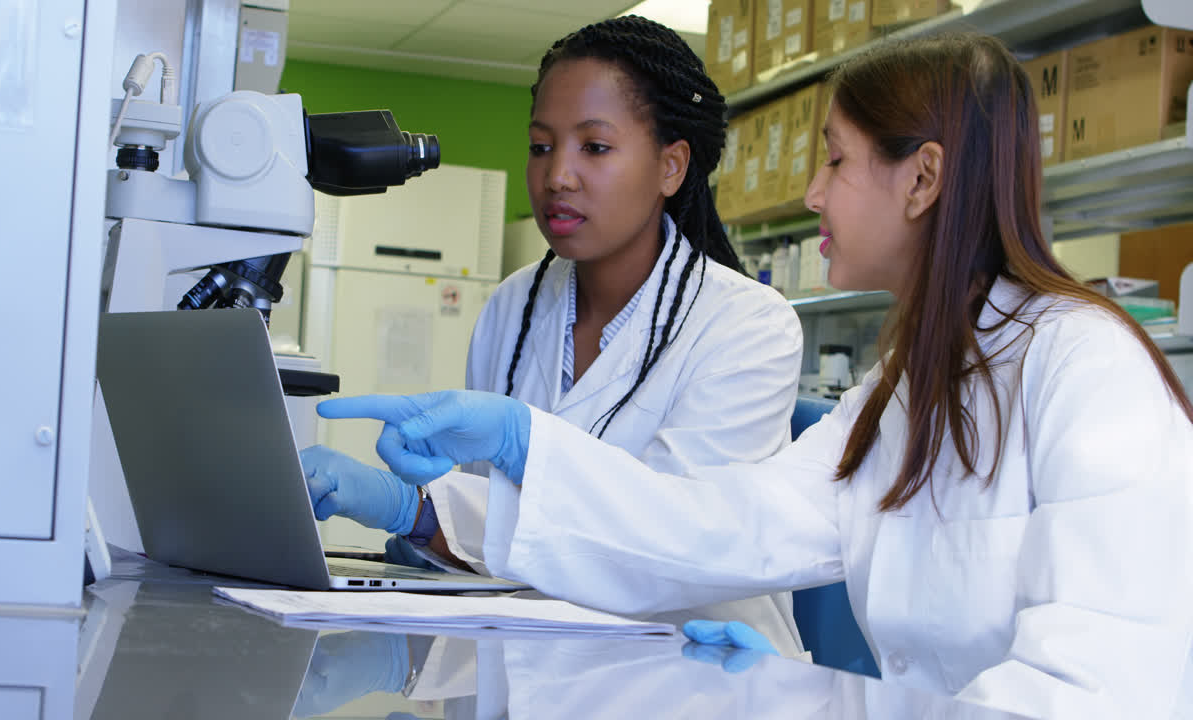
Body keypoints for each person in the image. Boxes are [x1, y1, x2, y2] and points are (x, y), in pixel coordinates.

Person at [316, 32, 1193, 719]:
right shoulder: (904, 392)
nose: (812, 192)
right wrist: (513, 454)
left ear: (923, 178)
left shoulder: (1085, 365)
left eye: (837, 160)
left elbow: (1100, 691)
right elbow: (727, 525)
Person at [300, 16, 806, 656]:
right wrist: (412, 522)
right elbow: (498, 541)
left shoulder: (745, 324)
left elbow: (674, 549)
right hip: (536, 660)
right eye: (541, 147)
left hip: (695, 671)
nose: (558, 175)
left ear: (672, 165)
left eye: (594, 147)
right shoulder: (512, 306)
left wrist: (427, 508)